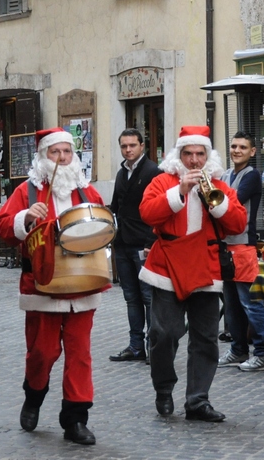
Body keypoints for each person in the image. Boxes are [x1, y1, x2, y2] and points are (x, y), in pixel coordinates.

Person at [0, 128, 110, 446]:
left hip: (83, 284)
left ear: (74, 157)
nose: (61, 158)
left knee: (80, 355)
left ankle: (75, 419)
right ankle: (33, 395)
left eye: (67, 152)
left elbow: (103, 224)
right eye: (55, 153)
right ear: (43, 157)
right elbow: (4, 227)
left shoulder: (87, 192)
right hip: (42, 287)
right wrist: (25, 217)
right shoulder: (26, 191)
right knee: (42, 353)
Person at [138, 126, 247, 422]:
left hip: (206, 265)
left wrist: (217, 202)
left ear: (208, 156)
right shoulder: (162, 181)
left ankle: (198, 400)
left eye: (200, 154)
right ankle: (163, 388)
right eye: (189, 154)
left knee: (206, 338)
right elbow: (147, 213)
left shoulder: (220, 186)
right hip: (168, 266)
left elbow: (238, 223)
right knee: (164, 333)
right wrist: (180, 191)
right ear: (179, 155)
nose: (195, 161)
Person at [217, 132, 264, 371]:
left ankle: (263, 352)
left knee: (250, 302)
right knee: (231, 304)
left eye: (242, 147)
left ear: (252, 152)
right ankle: (238, 350)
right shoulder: (225, 175)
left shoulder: (252, 177)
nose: (236, 150)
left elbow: (229, 202)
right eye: (233, 146)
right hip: (225, 246)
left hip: (243, 246)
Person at [108, 129, 161, 363]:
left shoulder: (153, 172)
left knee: (148, 297)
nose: (128, 149)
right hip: (122, 244)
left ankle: (154, 347)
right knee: (131, 297)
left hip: (144, 243)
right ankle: (136, 346)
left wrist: (152, 242)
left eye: (132, 145)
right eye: (123, 146)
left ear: (142, 146)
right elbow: (115, 206)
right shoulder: (121, 173)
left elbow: (159, 211)